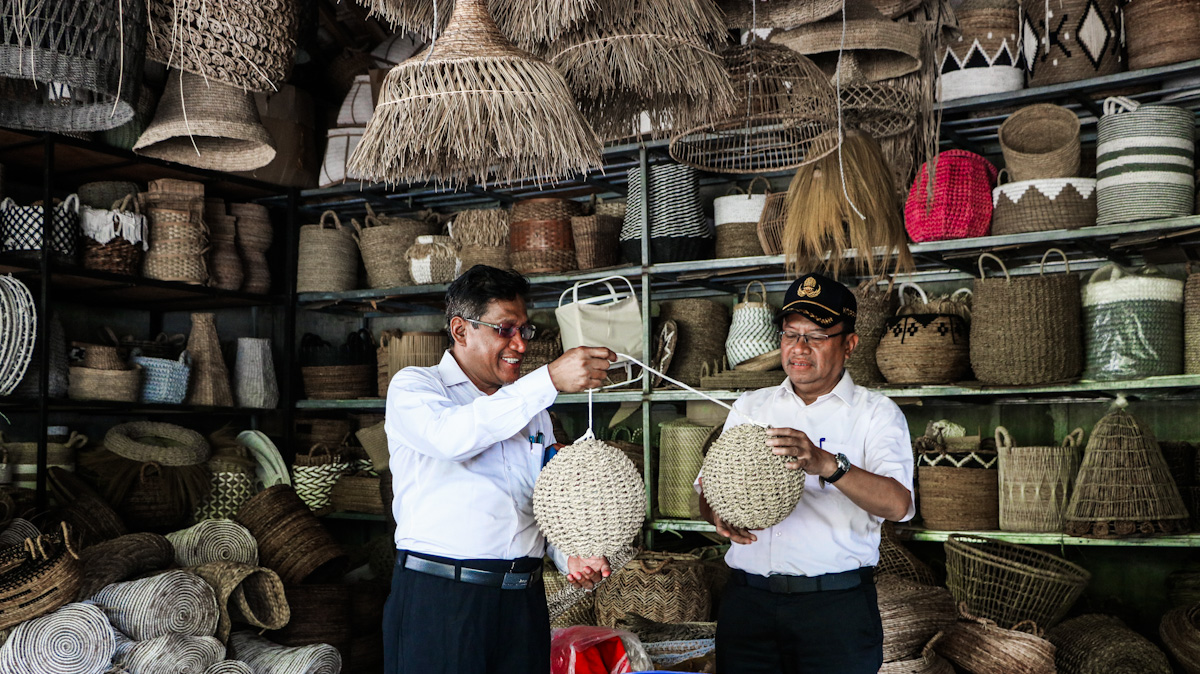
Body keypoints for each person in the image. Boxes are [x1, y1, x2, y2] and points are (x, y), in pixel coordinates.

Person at [382, 265, 617, 674]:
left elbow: (538, 499)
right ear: (460, 330)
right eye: (505, 329)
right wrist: (549, 379)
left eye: (524, 330)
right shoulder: (415, 388)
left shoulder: (531, 411)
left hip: (522, 603)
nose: (520, 345)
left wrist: (569, 553)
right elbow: (453, 438)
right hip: (442, 602)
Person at [698, 272, 915, 674]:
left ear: (849, 343)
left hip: (834, 611)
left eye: (816, 335)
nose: (799, 348)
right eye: (789, 334)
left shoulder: (876, 413)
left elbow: (899, 504)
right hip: (749, 605)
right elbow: (709, 489)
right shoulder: (751, 406)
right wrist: (719, 515)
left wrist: (826, 463)